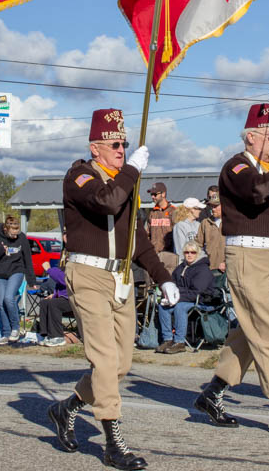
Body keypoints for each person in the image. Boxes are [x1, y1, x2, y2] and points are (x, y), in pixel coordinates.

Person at [48, 108, 175, 470]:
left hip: (120, 278)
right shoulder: (80, 175)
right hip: (87, 275)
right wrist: (133, 170)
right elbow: (106, 201)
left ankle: (67, 408)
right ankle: (113, 442)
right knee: (103, 359)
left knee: (119, 364)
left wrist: (163, 277)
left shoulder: (124, 182)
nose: (122, 149)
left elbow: (137, 240)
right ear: (95, 148)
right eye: (115, 144)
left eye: (125, 144)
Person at [193, 103, 269, 439]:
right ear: (251, 137)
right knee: (267, 332)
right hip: (248, 256)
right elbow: (255, 191)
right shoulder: (237, 167)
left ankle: (213, 393)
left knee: (249, 332)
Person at [157, 240, 215, 354]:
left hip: (203, 300)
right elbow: (172, 284)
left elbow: (197, 292)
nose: (189, 255)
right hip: (184, 298)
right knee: (162, 306)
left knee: (180, 307)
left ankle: (179, 342)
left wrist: (177, 296)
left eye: (193, 252)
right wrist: (169, 296)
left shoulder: (203, 269)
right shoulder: (180, 268)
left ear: (197, 253)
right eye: (186, 252)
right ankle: (167, 339)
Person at [0, 216, 36, 345]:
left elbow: (27, 259)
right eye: (12, 232)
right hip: (1, 273)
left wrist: (32, 280)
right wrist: (0, 250)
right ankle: (5, 334)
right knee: (1, 303)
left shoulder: (22, 238)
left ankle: (15, 328)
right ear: (6, 229)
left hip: (16, 271)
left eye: (17, 231)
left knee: (9, 298)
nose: (15, 235)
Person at [38, 265, 72, 347]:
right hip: (64, 298)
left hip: (74, 300)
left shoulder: (74, 268)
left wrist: (49, 269)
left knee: (54, 304)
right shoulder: (64, 268)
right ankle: (45, 335)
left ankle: (58, 337)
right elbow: (61, 288)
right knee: (44, 303)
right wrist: (54, 295)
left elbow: (65, 281)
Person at [195, 192, 224, 274]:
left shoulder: (232, 222)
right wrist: (203, 262)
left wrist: (227, 262)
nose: (213, 209)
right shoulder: (205, 223)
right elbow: (197, 245)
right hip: (209, 269)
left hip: (229, 269)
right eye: (211, 206)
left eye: (216, 206)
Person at [145, 182, 175, 254]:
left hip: (169, 254)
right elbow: (147, 234)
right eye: (151, 194)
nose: (152, 197)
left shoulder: (173, 211)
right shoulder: (152, 212)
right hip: (153, 254)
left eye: (155, 194)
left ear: (163, 194)